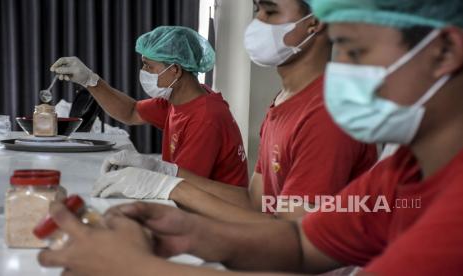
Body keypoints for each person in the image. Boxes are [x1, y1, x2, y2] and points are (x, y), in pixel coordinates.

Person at [38, 0, 463, 275]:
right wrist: (186, 232)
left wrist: (133, 265)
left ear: (444, 52)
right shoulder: (403, 172)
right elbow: (300, 241)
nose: (341, 76)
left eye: (354, 52)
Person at [93, 0, 377, 221]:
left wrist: (167, 187)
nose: (257, 23)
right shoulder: (283, 103)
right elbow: (256, 202)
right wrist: (162, 170)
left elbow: (295, 242)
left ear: (314, 22)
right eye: (257, 10)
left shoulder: (326, 113)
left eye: (270, 11)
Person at [51, 26, 249, 190]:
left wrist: (142, 176)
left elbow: (184, 188)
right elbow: (131, 111)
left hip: (214, 218)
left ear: (175, 70)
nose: (143, 72)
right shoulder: (179, 98)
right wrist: (90, 80)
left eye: (148, 66)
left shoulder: (205, 118)